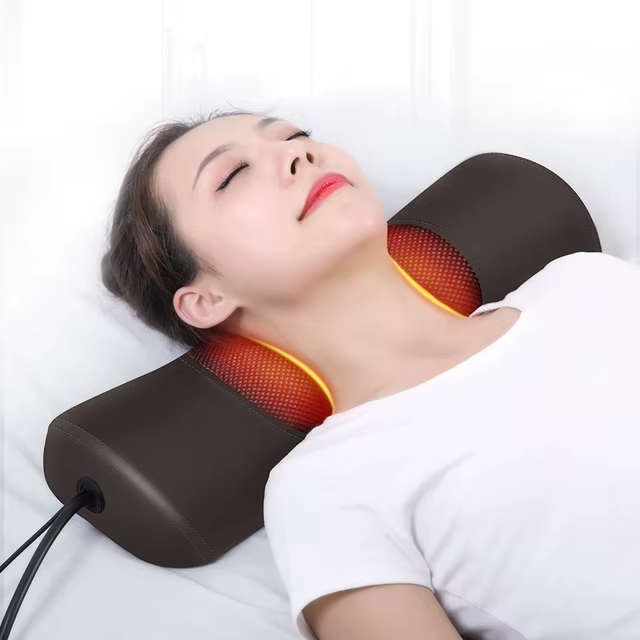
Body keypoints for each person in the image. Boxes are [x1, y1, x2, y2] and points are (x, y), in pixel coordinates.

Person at [102, 109, 640, 640]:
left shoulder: (585, 282)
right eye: (233, 174)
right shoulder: (325, 488)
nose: (297, 153)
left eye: (297, 135)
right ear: (205, 300)